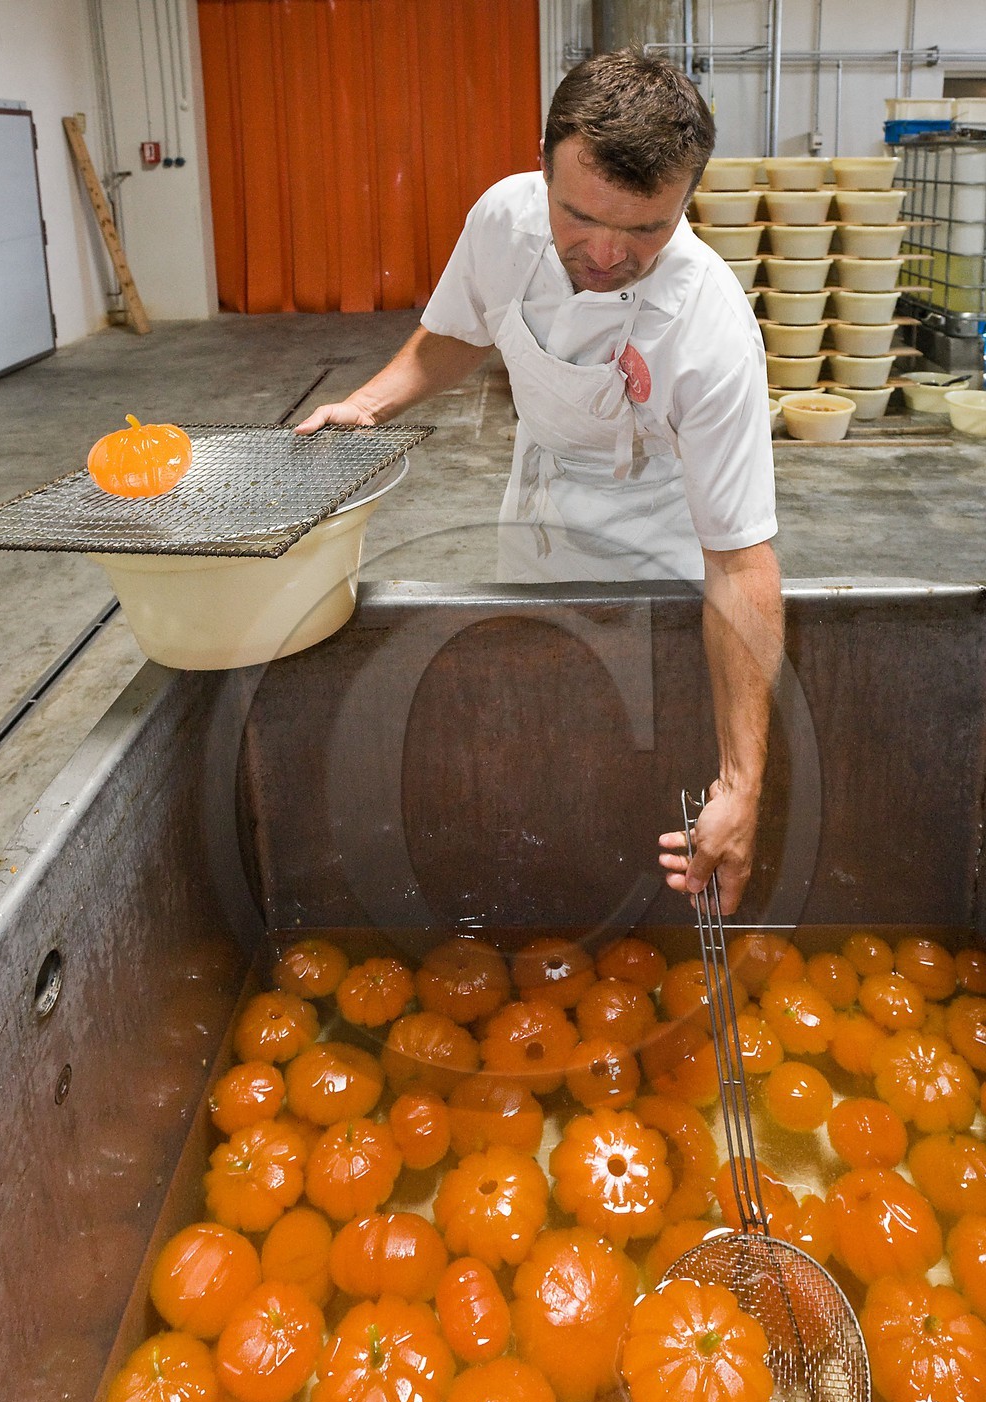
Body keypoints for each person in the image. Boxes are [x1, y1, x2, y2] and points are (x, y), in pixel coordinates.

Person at [297, 49, 783, 914]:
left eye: (645, 229)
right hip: (535, 506)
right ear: (542, 167)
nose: (605, 253)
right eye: (579, 216)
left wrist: (741, 785)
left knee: (637, 739)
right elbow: (459, 331)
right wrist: (366, 404)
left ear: (687, 200)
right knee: (536, 712)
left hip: (656, 535)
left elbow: (740, 561)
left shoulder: (708, 332)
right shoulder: (501, 220)